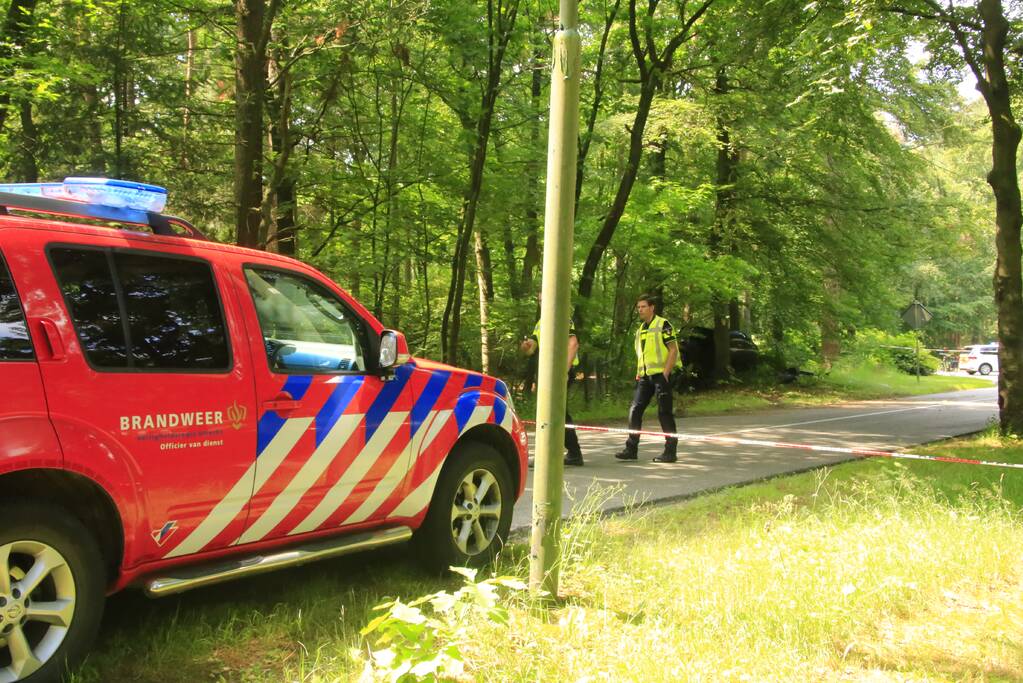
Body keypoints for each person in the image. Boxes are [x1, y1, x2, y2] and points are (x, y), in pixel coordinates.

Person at [615, 294, 681, 463]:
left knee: (664, 413)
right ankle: (631, 449)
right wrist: (639, 371)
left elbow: (673, 350)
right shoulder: (640, 329)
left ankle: (670, 451)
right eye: (638, 307)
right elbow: (642, 354)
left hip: (661, 375)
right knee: (634, 410)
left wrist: (666, 373)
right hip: (645, 377)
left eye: (643, 307)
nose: (640, 310)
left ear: (652, 308)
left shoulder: (663, 324)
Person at [521, 311, 585, 467]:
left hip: (560, 371)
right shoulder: (541, 322)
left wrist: (563, 372)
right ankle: (573, 453)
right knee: (558, 411)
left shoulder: (561, 317)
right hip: (547, 372)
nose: (542, 303)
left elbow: (573, 344)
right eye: (540, 300)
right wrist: (526, 346)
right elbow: (532, 348)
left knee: (551, 411)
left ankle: (547, 455)